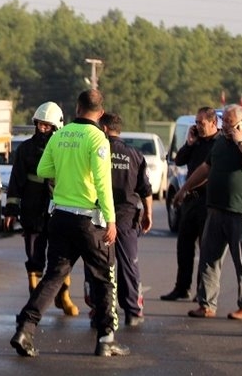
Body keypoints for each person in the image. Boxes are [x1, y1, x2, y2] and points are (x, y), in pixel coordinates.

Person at [10, 89, 129, 358]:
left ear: (77, 109)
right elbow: (102, 182)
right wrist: (110, 219)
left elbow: (43, 170)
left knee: (53, 276)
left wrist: (65, 169)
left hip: (60, 217)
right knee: (104, 278)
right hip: (89, 221)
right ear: (100, 113)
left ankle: (25, 329)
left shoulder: (60, 135)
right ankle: (106, 339)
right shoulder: (98, 137)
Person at [175, 104, 242, 320]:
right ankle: (206, 304)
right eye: (223, 120)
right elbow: (205, 168)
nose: (225, 125)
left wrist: (239, 141)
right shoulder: (219, 143)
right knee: (209, 258)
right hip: (216, 210)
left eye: (229, 121)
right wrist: (184, 188)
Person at [3, 102, 79, 316]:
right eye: (40, 125)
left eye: (47, 126)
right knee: (34, 257)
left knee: (61, 258)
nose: (42, 129)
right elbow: (16, 181)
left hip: (60, 212)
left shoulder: (66, 149)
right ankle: (35, 300)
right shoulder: (25, 150)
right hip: (33, 212)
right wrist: (10, 211)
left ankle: (63, 296)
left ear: (57, 128)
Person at [96, 112, 152, 327]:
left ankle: (99, 311)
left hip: (99, 216)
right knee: (129, 264)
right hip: (126, 217)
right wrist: (148, 214)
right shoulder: (134, 154)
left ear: (104, 129)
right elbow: (145, 189)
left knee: (98, 265)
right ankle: (133, 311)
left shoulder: (97, 151)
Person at [161, 107, 219, 301]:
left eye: (201, 123)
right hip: (190, 200)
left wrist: (184, 188)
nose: (198, 126)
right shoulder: (197, 142)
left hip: (208, 200)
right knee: (184, 245)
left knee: (206, 248)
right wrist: (189, 143)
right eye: (197, 122)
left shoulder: (219, 144)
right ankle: (182, 287)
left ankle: (203, 291)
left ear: (213, 123)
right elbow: (179, 160)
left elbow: (208, 173)